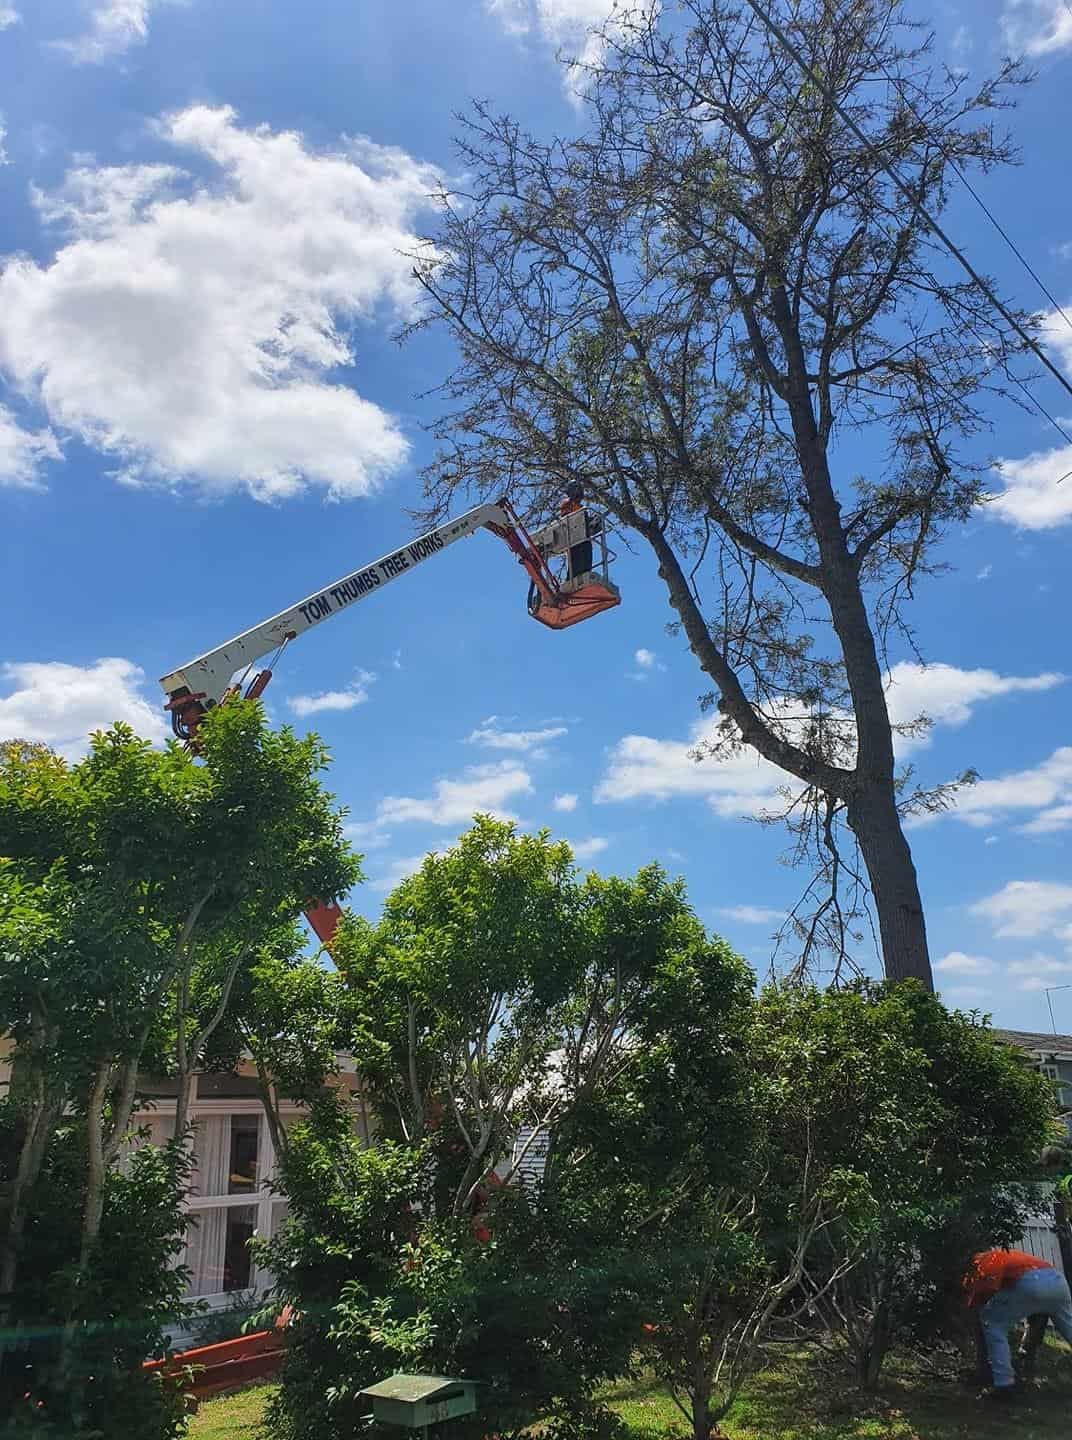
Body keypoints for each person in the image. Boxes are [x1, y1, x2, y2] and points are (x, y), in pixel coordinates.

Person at [964, 1247, 1072, 1400]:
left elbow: (988, 1289)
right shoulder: (1010, 1254)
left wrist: (975, 1307)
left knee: (992, 1322)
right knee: (1069, 1328)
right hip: (1058, 1281)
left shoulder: (985, 1260)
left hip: (1031, 1283)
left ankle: (1004, 1384)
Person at [558, 481, 593, 582]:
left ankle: (584, 577)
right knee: (575, 562)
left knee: (586, 561)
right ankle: (571, 580)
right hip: (574, 538)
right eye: (576, 489)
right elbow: (567, 519)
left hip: (584, 538)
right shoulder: (567, 503)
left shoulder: (580, 507)